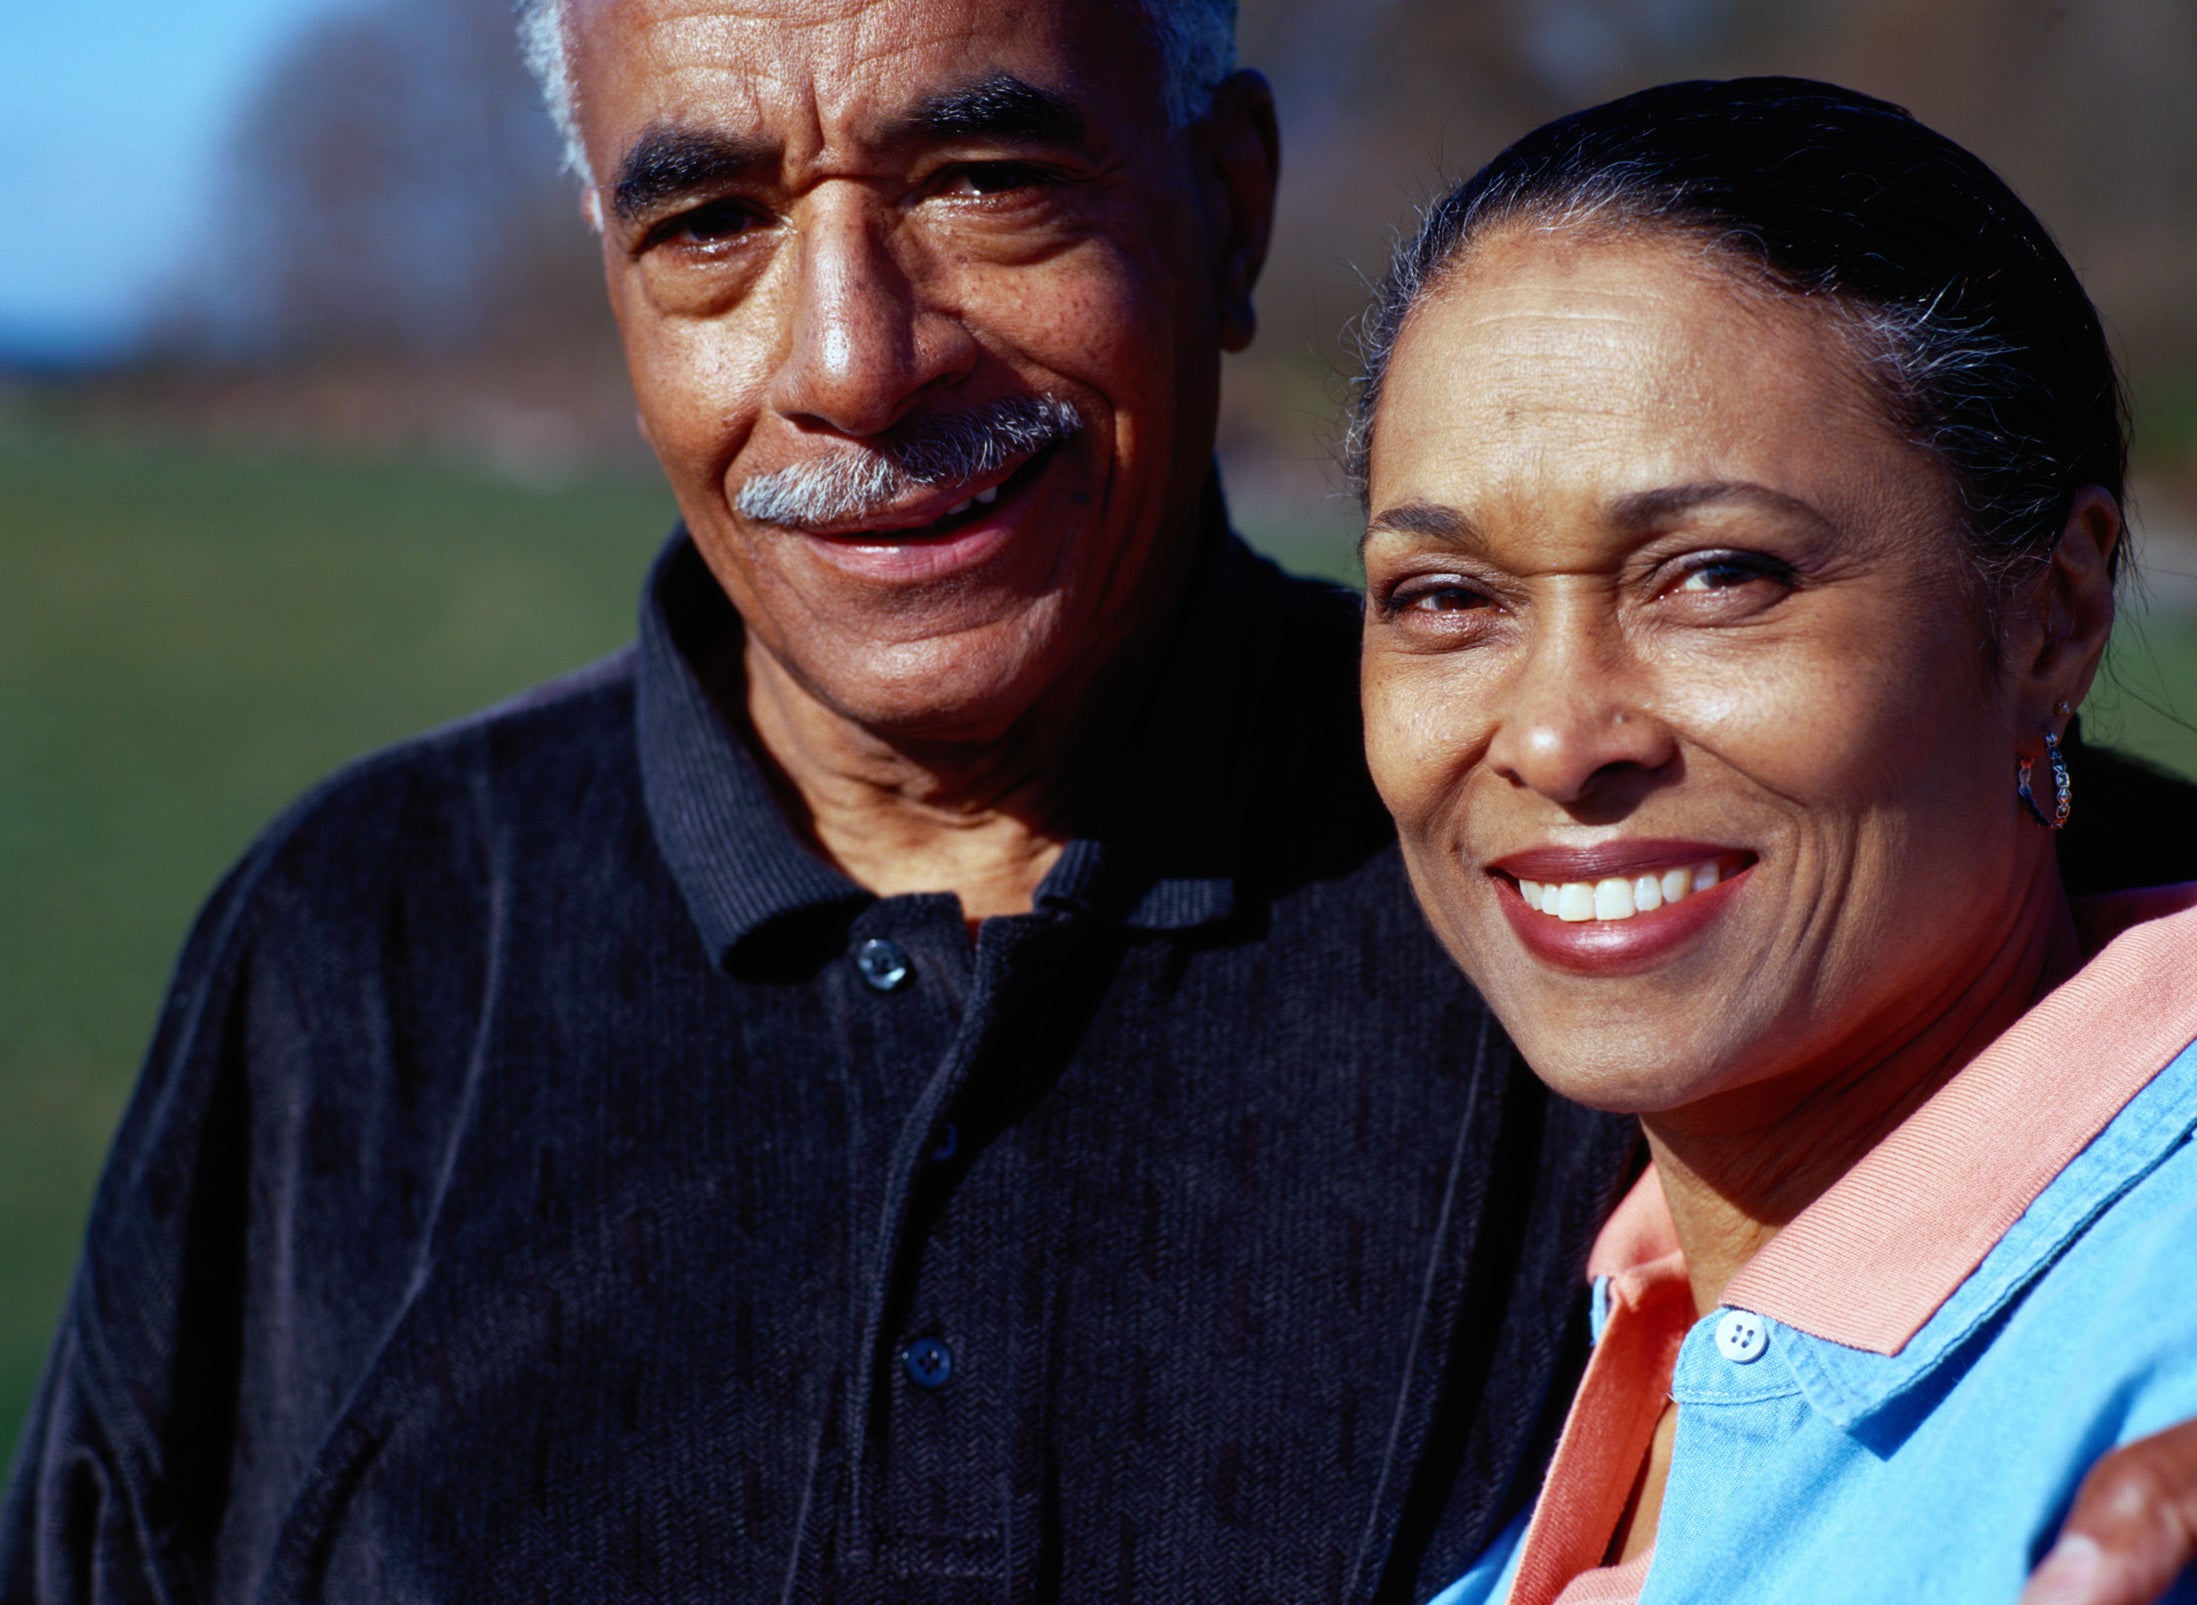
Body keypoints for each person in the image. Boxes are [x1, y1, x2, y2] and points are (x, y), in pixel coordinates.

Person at [1, 8, 2193, 1597]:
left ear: (1226, 205)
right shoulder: (354, 949)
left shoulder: (1603, 904)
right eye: (710, 221)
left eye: (983, 181)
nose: (851, 360)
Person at [1350, 77, 2197, 1605]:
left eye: (1715, 575)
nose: (1555, 735)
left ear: (2051, 615)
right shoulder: (1547, 1337)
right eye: (1443, 598)